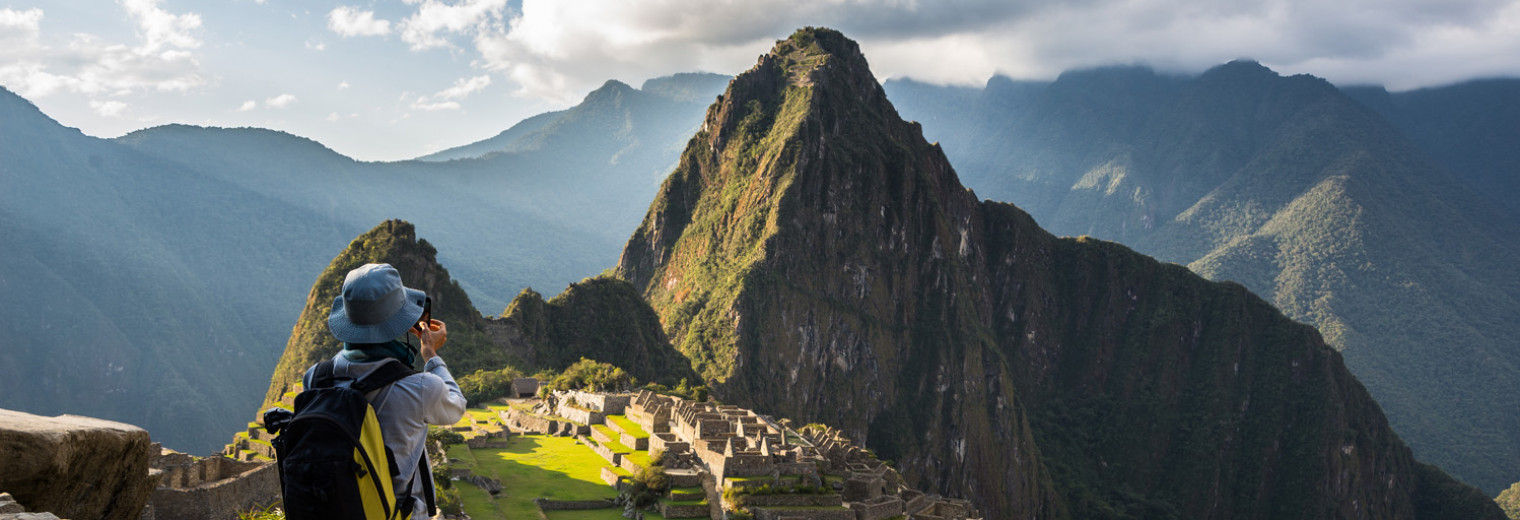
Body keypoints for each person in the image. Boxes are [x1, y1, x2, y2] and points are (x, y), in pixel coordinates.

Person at [304, 263, 467, 518]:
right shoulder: (421, 388)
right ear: (400, 325)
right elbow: (456, 406)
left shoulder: (315, 378)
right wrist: (431, 355)